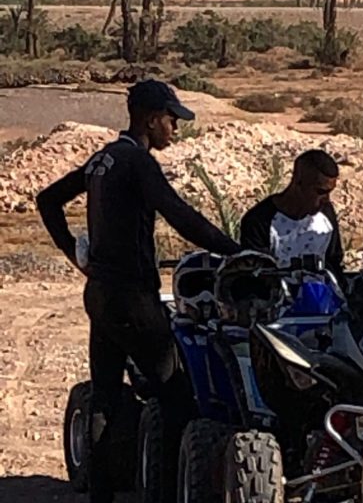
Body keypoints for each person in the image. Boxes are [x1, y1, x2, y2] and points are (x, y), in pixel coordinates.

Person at [36, 79, 241, 503]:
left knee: (106, 396)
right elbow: (179, 215)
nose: (175, 129)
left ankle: (102, 496)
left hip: (100, 294)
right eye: (171, 120)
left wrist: (74, 251)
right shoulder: (138, 163)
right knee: (177, 398)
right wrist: (236, 251)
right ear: (151, 119)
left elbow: (49, 200)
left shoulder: (103, 160)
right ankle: (165, 493)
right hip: (133, 297)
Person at [240, 149, 344, 279]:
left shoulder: (326, 214)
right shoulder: (259, 221)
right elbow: (257, 274)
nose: (327, 199)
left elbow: (333, 262)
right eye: (320, 191)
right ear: (298, 181)